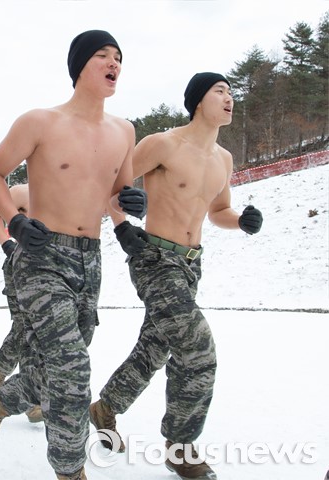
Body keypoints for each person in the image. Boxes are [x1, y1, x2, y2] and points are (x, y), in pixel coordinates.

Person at [0, 30, 147, 480]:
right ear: (79, 66)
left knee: (55, 369)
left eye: (118, 57)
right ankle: (70, 470)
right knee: (72, 368)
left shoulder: (124, 131)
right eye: (103, 55)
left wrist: (130, 208)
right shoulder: (40, 122)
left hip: (90, 260)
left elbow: (119, 192)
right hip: (41, 255)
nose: (114, 63)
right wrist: (14, 222)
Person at [89, 72, 263, 480]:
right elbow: (110, 185)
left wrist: (241, 221)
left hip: (190, 264)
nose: (229, 98)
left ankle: (106, 407)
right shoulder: (163, 144)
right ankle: (180, 447)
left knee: (155, 349)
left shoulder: (223, 159)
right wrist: (122, 225)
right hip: (154, 258)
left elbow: (218, 211)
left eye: (231, 92)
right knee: (197, 350)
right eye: (220, 91)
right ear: (198, 100)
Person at [0, 183, 43, 424]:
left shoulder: (61, 191)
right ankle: (29, 397)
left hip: (49, 266)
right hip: (19, 262)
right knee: (25, 326)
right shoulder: (21, 191)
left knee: (35, 329)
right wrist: (7, 242)